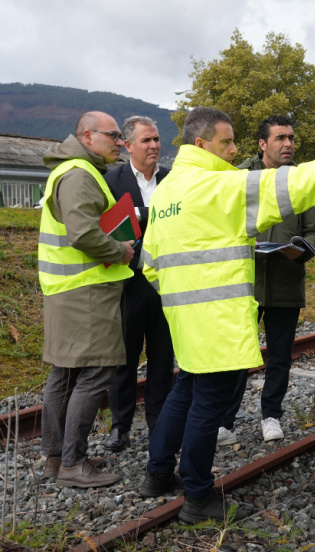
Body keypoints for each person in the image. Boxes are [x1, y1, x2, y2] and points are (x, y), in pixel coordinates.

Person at [137, 107, 315, 523]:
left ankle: (157, 473)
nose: (234, 149)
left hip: (183, 317)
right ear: (201, 144)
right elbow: (295, 183)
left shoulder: (166, 192)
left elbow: (150, 264)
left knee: (185, 390)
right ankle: (198, 496)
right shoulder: (218, 186)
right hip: (216, 317)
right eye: (226, 142)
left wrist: (181, 298)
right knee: (207, 405)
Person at [38, 111, 135, 488]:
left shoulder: (72, 169)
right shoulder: (79, 174)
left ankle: (56, 458)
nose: (119, 142)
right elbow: (83, 234)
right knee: (95, 372)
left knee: (64, 373)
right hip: (87, 292)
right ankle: (73, 464)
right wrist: (119, 250)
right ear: (87, 135)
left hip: (69, 289)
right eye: (113, 135)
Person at [218, 115, 315, 445]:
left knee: (279, 356)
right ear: (263, 144)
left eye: (291, 138)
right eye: (280, 138)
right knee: (236, 355)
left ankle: (271, 416)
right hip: (243, 283)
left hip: (285, 281)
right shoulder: (238, 178)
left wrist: (303, 250)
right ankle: (226, 421)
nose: (289, 144)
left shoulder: (303, 182)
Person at [103, 116, 174, 452]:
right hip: (127, 283)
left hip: (165, 283)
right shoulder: (110, 180)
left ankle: (159, 424)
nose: (154, 146)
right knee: (124, 359)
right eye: (146, 140)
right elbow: (104, 227)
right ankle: (121, 426)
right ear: (128, 145)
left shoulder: (173, 181)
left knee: (163, 359)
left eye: (157, 139)